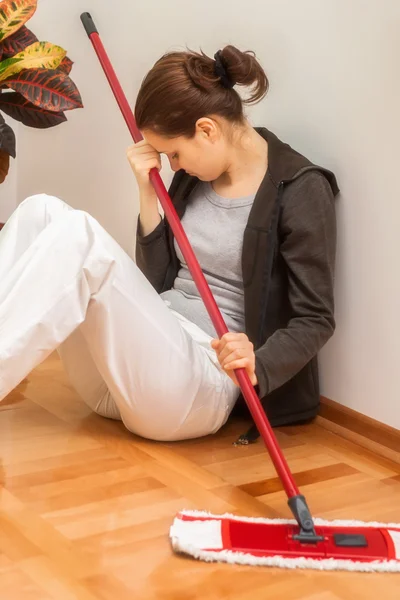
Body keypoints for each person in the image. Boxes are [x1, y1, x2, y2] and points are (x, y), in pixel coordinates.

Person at [0, 46, 338, 443]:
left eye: (173, 153)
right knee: (41, 210)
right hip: (129, 374)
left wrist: (257, 363)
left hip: (195, 386)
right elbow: (155, 283)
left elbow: (315, 318)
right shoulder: (196, 176)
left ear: (207, 130)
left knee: (80, 235)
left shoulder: (299, 188)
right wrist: (147, 192)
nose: (171, 166)